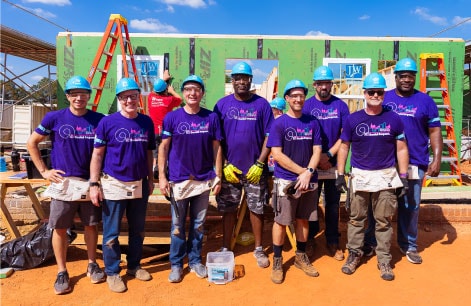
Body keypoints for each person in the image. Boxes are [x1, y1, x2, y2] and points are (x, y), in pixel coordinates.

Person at [26, 76, 105, 295]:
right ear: (68, 96)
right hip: (64, 183)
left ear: (89, 95)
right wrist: (44, 171)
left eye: (83, 93)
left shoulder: (99, 120)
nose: (79, 97)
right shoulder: (54, 118)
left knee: (91, 225)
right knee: (59, 228)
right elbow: (31, 143)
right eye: (74, 93)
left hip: (90, 183)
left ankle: (92, 263)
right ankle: (62, 271)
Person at [363, 58, 442, 264]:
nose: (407, 79)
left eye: (411, 76)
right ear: (395, 77)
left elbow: (435, 131)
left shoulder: (426, 101)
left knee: (411, 205)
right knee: (377, 205)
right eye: (403, 76)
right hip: (386, 163)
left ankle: (409, 245)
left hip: (416, 162)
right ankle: (372, 242)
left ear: (415, 77)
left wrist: (437, 159)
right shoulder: (384, 98)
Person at [336, 72, 409, 281]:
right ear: (365, 93)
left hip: (385, 177)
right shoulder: (353, 119)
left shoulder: (393, 119)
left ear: (383, 94)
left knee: (383, 221)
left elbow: (402, 149)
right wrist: (340, 174)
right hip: (360, 176)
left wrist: (403, 176)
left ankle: (384, 259)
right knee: (356, 219)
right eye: (371, 91)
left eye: (379, 92)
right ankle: (354, 255)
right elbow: (344, 147)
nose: (375, 95)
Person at [89, 77, 156, 293]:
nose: (130, 100)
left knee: (138, 230)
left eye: (133, 96)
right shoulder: (107, 123)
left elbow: (149, 153)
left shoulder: (146, 122)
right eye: (125, 97)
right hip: (114, 183)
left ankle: (134, 266)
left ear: (139, 97)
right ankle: (112, 272)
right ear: (119, 99)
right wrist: (94, 183)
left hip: (139, 183)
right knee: (111, 232)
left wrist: (151, 179)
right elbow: (97, 155)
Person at [158, 75, 223, 283]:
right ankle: (176, 264)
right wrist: (162, 176)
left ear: (202, 93)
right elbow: (164, 148)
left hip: (203, 180)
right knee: (177, 226)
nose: (192, 93)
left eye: (196, 89)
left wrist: (218, 175)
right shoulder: (172, 118)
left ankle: (195, 260)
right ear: (183, 93)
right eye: (188, 89)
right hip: (178, 180)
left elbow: (217, 148)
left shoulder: (211, 118)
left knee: (198, 225)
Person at [213, 61, 274, 268]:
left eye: (245, 78)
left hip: (255, 169)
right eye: (237, 78)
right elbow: (217, 140)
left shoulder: (262, 105)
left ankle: (258, 248)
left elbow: (269, 136)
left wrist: (260, 163)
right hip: (231, 170)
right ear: (232, 81)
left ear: (250, 80)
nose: (241, 81)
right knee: (228, 209)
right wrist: (224, 166)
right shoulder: (222, 105)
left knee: (257, 209)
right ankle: (225, 246)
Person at [267, 79, 322, 284]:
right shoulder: (279, 123)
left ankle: (300, 256)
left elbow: (317, 151)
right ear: (287, 99)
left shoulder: (313, 122)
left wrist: (308, 173)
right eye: (294, 96)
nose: (298, 99)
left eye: (301, 95)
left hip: (308, 180)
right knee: (281, 222)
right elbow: (277, 154)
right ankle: (278, 260)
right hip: (287, 181)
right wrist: (302, 172)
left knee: (304, 219)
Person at [302, 65, 350, 261]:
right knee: (310, 204)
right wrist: (316, 159)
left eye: (327, 83)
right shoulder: (306, 106)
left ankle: (332, 241)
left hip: (331, 164)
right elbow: (302, 134)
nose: (324, 86)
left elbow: (345, 135)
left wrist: (328, 155)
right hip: (311, 166)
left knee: (332, 205)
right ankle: (311, 239)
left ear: (332, 84)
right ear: (314, 84)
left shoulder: (341, 106)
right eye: (320, 83)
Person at [147, 70, 183, 179]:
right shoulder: (169, 100)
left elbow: (154, 91)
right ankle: (165, 170)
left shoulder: (150, 98)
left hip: (153, 131)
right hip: (165, 132)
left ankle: (155, 170)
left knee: (156, 152)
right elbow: (180, 99)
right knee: (166, 151)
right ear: (165, 90)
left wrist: (163, 79)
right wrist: (172, 91)